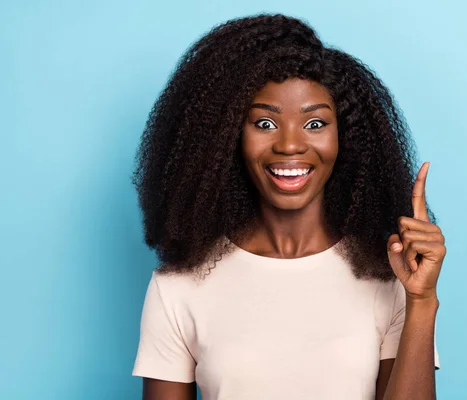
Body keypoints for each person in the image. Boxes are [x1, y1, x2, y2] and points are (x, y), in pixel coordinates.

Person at [131, 13, 446, 400]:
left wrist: (421, 300)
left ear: (345, 138)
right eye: (264, 124)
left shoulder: (390, 276)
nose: (290, 145)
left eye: (315, 124)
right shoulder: (179, 286)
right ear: (227, 136)